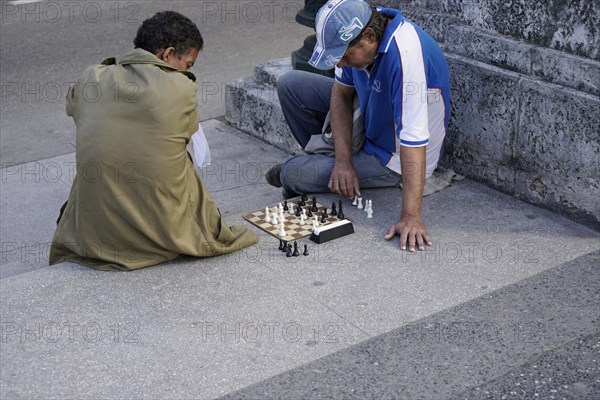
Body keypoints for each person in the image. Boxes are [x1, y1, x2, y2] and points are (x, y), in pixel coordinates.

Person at [49, 11, 258, 271]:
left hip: (96, 236)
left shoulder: (92, 76)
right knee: (189, 139)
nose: (187, 71)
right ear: (167, 55)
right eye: (188, 64)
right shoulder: (182, 87)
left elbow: (74, 109)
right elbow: (187, 143)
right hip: (167, 231)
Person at [266, 0, 450, 252]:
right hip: (368, 118)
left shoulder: (406, 54)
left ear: (369, 36)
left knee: (292, 174)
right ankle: (330, 165)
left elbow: (413, 140)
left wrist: (410, 217)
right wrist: (342, 162)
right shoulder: (364, 38)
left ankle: (312, 171)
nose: (339, 64)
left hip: (393, 156)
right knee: (291, 85)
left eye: (343, 55)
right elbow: (340, 95)